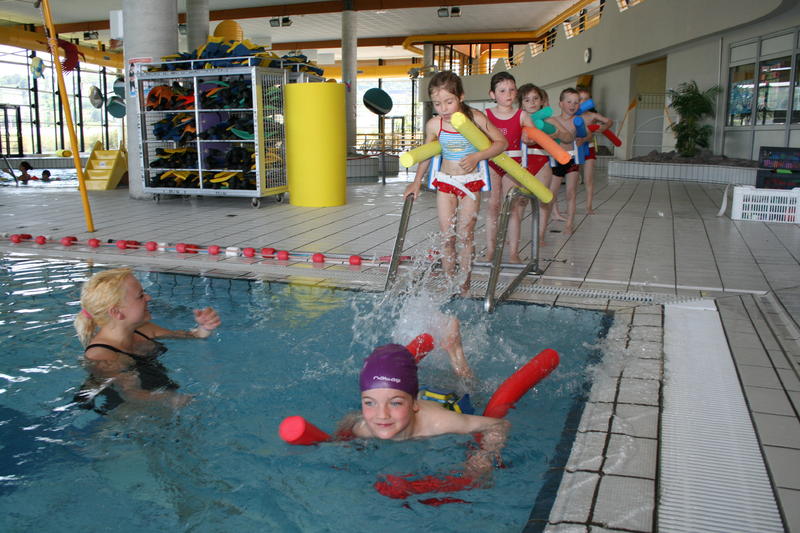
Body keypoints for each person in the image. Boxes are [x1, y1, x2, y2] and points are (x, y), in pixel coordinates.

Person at [338, 317, 510, 483]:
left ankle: (455, 350)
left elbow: (498, 425)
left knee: (471, 388)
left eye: (395, 403)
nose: (381, 415)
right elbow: (349, 421)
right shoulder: (364, 428)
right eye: (369, 402)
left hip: (447, 401)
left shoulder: (440, 424)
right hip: (411, 394)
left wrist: (484, 455)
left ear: (415, 404)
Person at [404, 71, 507, 296]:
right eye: (437, 104)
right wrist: (416, 182)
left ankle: (465, 284)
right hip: (445, 182)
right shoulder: (434, 125)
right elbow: (426, 153)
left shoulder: (475, 118)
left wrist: (478, 156)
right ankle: (449, 281)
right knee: (447, 236)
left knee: (465, 234)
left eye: (449, 102)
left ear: (461, 96)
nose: (444, 109)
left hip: (470, 182)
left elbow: (501, 142)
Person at [73, 268, 221, 412]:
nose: (148, 297)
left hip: (159, 397)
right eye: (140, 296)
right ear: (116, 312)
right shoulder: (102, 356)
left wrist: (204, 328)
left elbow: (192, 336)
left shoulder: (144, 329)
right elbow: (131, 395)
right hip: (122, 413)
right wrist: (171, 399)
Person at [482, 72, 534, 264]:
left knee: (512, 208)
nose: (508, 94)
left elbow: (533, 136)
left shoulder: (522, 115)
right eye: (502, 91)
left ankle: (513, 252)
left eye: (512, 90)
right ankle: (490, 250)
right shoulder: (486, 115)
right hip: (493, 162)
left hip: (513, 164)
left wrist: (529, 138)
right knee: (493, 206)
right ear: (492, 94)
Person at [518, 83, 573, 246]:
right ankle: (515, 235)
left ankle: (540, 235)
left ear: (542, 101)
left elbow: (569, 137)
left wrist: (557, 133)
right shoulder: (519, 119)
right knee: (520, 201)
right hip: (523, 162)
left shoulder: (549, 120)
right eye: (527, 100)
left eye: (535, 99)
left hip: (542, 161)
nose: (532, 103)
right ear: (521, 104)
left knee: (543, 200)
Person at [551, 88, 591, 235]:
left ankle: (569, 224)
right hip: (556, 159)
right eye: (569, 102)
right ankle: (552, 214)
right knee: (551, 193)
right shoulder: (554, 120)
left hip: (572, 159)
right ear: (561, 104)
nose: (572, 105)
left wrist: (583, 139)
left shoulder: (578, 121)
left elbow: (590, 135)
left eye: (576, 102)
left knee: (571, 193)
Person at [576, 86, 614, 214]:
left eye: (586, 99)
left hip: (589, 148)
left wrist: (604, 127)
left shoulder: (592, 115)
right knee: (574, 180)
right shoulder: (571, 115)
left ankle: (589, 206)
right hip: (575, 149)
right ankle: (571, 206)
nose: (583, 102)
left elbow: (609, 121)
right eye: (580, 99)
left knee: (589, 179)